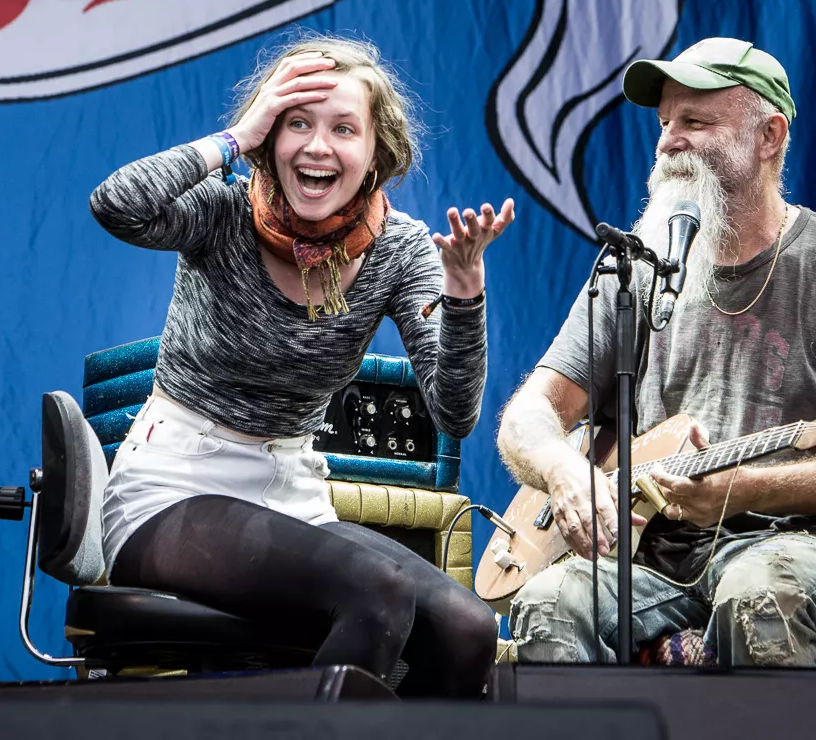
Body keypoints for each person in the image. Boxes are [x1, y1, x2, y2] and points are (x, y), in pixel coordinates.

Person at [88, 35, 513, 696]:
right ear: (270, 139)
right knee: (378, 591)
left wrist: (464, 296)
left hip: (290, 493)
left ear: (377, 153)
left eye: (344, 129)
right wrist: (236, 135)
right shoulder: (221, 209)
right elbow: (117, 204)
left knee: (467, 627)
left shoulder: (402, 250)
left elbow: (454, 411)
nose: (318, 146)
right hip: (173, 485)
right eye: (297, 124)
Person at [497, 37, 816, 666]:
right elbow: (528, 415)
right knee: (549, 601)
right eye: (664, 123)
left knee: (759, 593)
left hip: (814, 549)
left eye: (696, 121)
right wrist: (566, 472)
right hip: (658, 560)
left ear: (770, 137)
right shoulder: (634, 271)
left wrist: (744, 489)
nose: (670, 140)